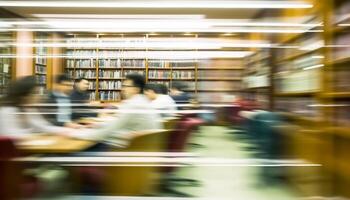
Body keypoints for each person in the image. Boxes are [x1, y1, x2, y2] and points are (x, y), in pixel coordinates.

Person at [90, 74, 163, 146]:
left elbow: (108, 131)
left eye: (126, 86)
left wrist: (80, 134)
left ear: (136, 89)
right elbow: (118, 123)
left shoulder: (133, 104)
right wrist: (100, 125)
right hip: (145, 148)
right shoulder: (143, 101)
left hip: (132, 150)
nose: (123, 89)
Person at [0, 76, 72, 138]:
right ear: (24, 95)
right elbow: (12, 136)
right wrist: (37, 136)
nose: (39, 96)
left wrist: (66, 131)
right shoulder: (7, 111)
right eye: (35, 93)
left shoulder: (29, 109)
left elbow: (42, 126)